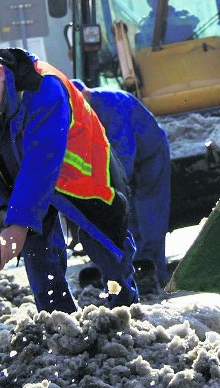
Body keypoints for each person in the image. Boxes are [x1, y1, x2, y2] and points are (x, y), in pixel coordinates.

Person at [0, 40, 139, 312]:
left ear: (0, 72)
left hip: (83, 171)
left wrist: (19, 222)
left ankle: (126, 315)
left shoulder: (42, 86)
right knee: (39, 260)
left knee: (106, 245)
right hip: (25, 181)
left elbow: (42, 158)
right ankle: (60, 328)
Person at [71, 80, 171, 294]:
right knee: (130, 216)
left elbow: (124, 149)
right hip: (129, 159)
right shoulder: (87, 111)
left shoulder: (109, 104)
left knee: (149, 212)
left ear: (84, 97)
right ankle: (133, 269)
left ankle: (154, 274)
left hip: (150, 155)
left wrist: (114, 188)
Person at [135, 0, 199, 48]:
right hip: (157, 57)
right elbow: (144, 27)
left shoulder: (182, 13)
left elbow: (195, 21)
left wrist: (175, 21)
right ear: (148, 2)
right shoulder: (145, 22)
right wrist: (171, 22)